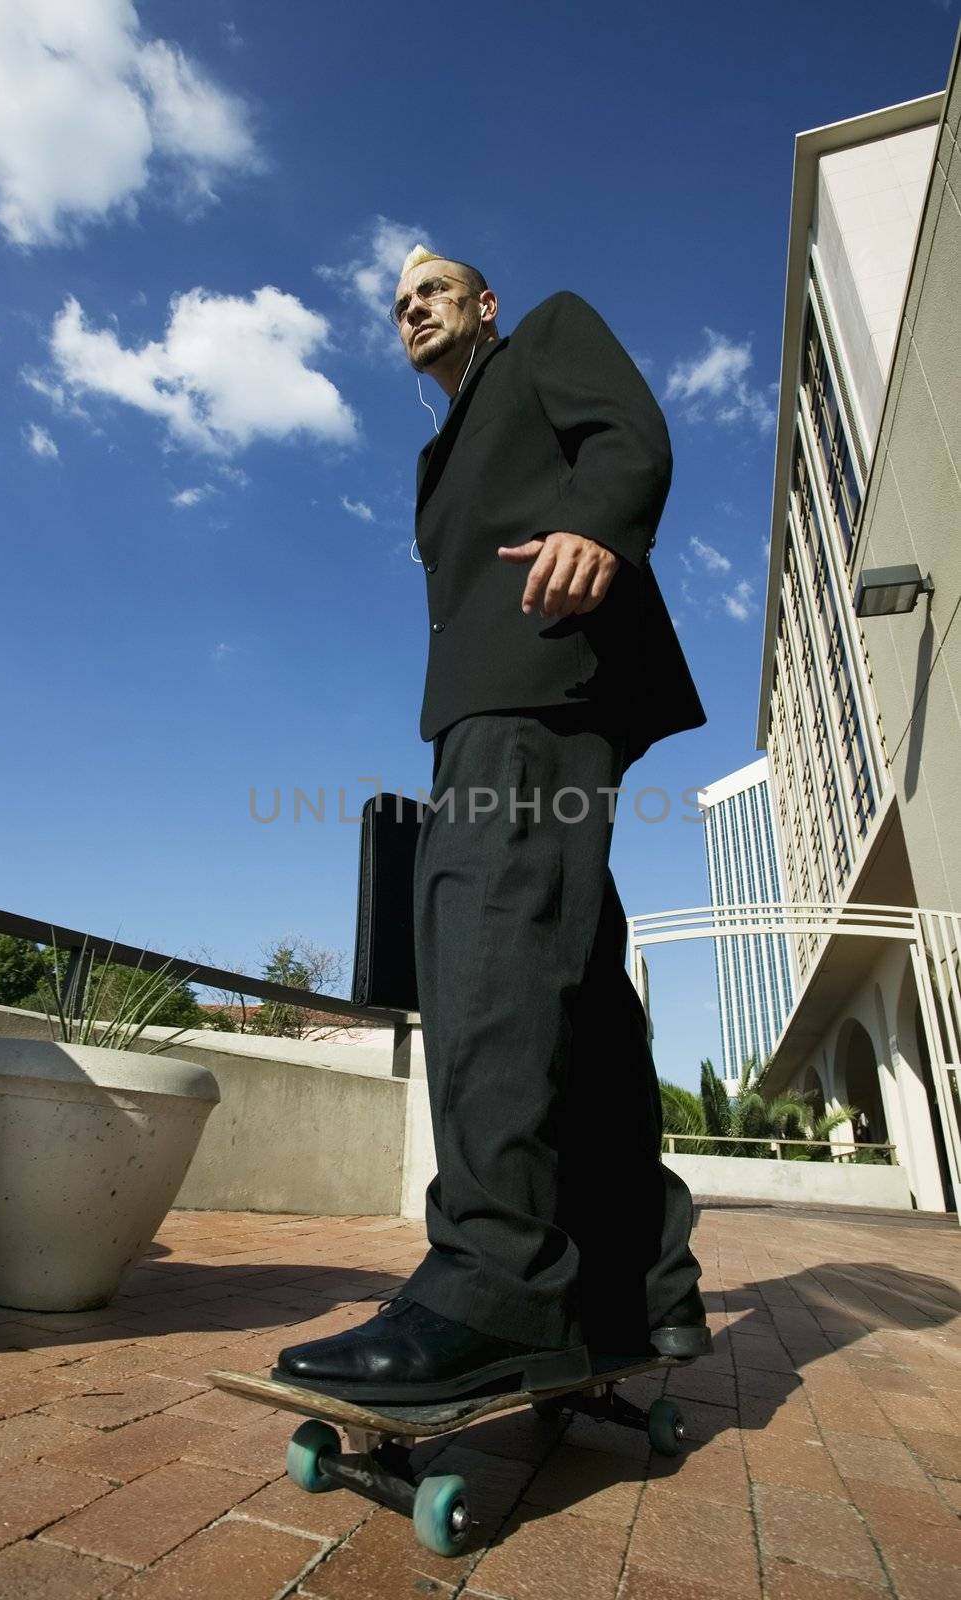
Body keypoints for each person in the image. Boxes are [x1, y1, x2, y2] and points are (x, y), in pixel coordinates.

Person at [276, 250, 710, 1403]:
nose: (411, 306)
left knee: (484, 946)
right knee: (575, 977)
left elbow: (630, 433)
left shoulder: (546, 335)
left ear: (484, 305)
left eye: (433, 290)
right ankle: (640, 1284)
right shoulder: (445, 439)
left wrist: (598, 529)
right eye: (397, 301)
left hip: (536, 682)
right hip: (523, 696)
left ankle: (491, 1280)